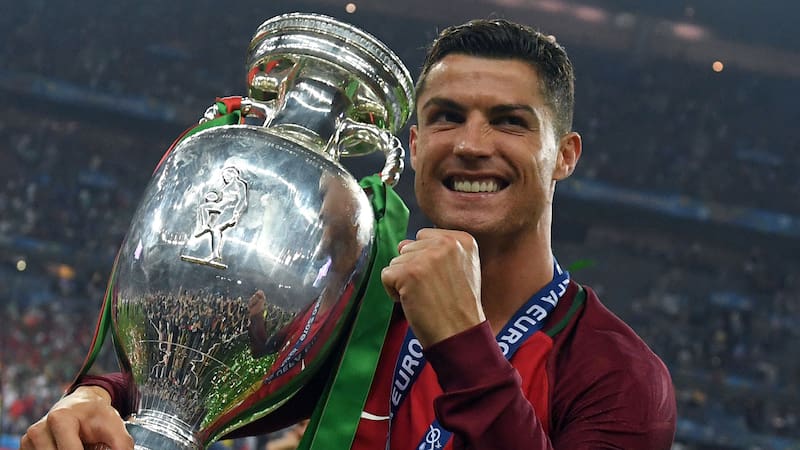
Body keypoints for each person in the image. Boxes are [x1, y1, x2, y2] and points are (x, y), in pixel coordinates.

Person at [21, 18, 676, 449]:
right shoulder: (358, 310)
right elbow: (191, 388)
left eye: (509, 122)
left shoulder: (616, 374)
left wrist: (463, 345)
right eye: (446, 118)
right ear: (413, 146)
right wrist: (94, 397)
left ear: (564, 155)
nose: (472, 145)